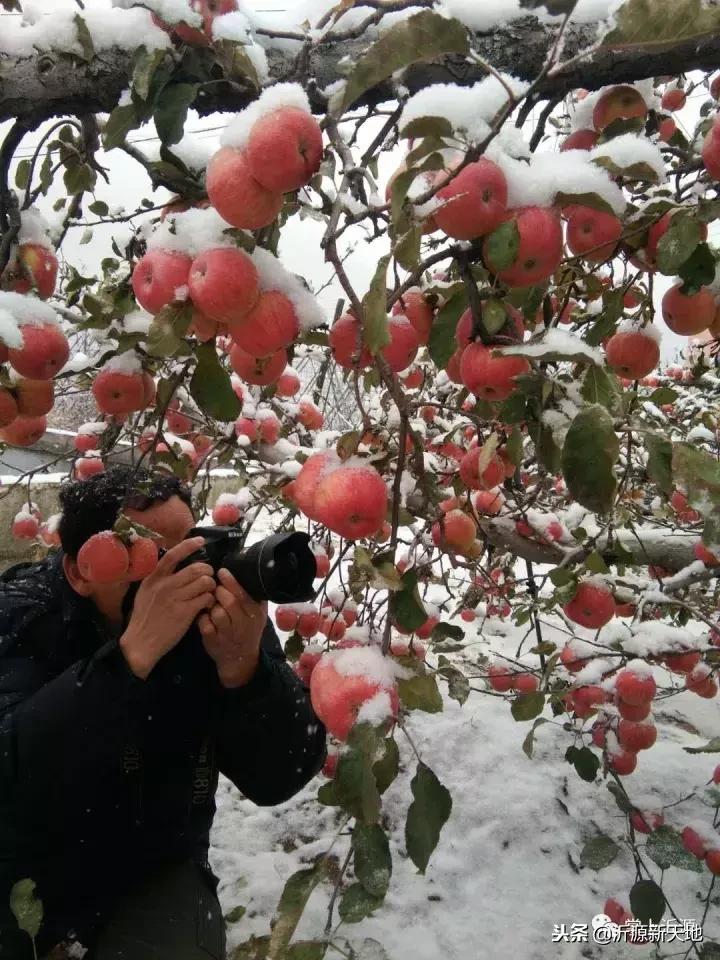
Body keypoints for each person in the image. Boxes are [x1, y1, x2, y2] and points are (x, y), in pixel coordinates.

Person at [0, 466, 326, 959]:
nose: (176, 570)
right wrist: (129, 659)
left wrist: (246, 671)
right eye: (144, 550)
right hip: (19, 867)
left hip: (152, 864)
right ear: (78, 571)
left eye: (189, 545)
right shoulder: (23, 614)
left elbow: (280, 776)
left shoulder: (218, 615)